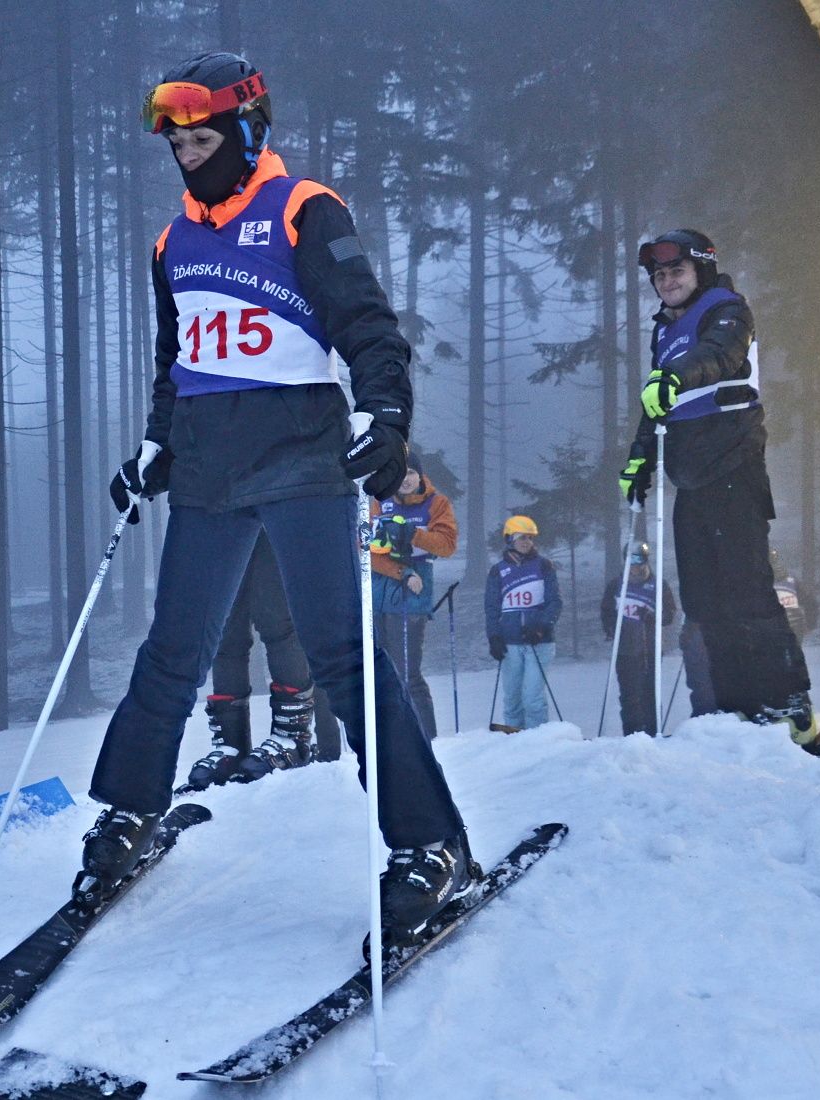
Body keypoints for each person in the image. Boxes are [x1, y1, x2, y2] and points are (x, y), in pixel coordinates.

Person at [93, 51, 473, 945]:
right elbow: (176, 361)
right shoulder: (171, 242)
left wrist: (385, 416)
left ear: (247, 129)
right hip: (208, 465)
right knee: (173, 651)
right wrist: (155, 443)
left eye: (203, 139)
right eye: (178, 144)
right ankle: (129, 810)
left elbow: (368, 328)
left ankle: (429, 844)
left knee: (340, 655)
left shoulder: (304, 208)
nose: (188, 154)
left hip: (300, 454)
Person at [619, 229, 820, 755]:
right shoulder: (665, 331)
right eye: (659, 275)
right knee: (703, 601)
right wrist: (640, 458)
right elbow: (658, 404)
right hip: (689, 479)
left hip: (734, 468)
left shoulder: (727, 310)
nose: (667, 282)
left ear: (702, 270)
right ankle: (738, 706)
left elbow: (719, 355)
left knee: (746, 591)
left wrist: (673, 377)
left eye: (677, 271)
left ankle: (787, 703)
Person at [185, 533, 342, 791]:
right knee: (225, 632)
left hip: (273, 521)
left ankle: (291, 739)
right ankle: (231, 747)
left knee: (277, 618)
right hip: (219, 521)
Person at [370, 452, 458, 738]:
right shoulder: (380, 503)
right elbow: (368, 550)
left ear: (419, 475)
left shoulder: (436, 503)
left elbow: (447, 545)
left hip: (412, 597)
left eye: (410, 473)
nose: (405, 480)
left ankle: (427, 738)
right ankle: (393, 736)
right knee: (381, 672)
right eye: (399, 474)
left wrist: (412, 534)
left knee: (407, 672)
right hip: (379, 594)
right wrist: (401, 572)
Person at [484, 516, 562, 731]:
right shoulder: (498, 571)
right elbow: (491, 608)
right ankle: (514, 740)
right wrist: (494, 637)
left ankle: (537, 741)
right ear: (510, 539)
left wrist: (541, 627)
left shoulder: (544, 566)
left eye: (529, 538)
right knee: (512, 699)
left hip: (539, 642)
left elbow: (555, 602)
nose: (526, 542)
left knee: (532, 698)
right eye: (521, 537)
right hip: (510, 643)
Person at [600, 543, 677, 736]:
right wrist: (610, 627)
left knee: (649, 693)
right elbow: (606, 611)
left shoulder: (658, 585)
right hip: (625, 650)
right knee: (629, 695)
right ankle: (632, 734)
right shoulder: (616, 585)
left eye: (640, 559)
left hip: (650, 648)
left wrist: (653, 617)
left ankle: (653, 733)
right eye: (632, 559)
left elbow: (669, 614)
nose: (636, 565)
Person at [768, 548, 817, 640]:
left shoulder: (758, 582)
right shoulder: (791, 579)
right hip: (795, 627)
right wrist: (811, 624)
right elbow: (810, 601)